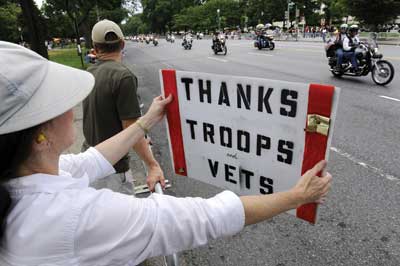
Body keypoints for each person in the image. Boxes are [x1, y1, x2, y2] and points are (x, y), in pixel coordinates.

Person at [0, 41, 332, 266]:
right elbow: (203, 217)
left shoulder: (26, 176)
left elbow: (90, 161)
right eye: (56, 104)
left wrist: (145, 122)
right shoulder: (72, 217)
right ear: (38, 137)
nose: (71, 108)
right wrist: (294, 196)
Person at [82, 20, 165, 193]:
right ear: (122, 44)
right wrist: (152, 165)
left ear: (95, 49)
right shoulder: (123, 77)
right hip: (112, 169)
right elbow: (132, 127)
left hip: (89, 160)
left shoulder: (89, 73)